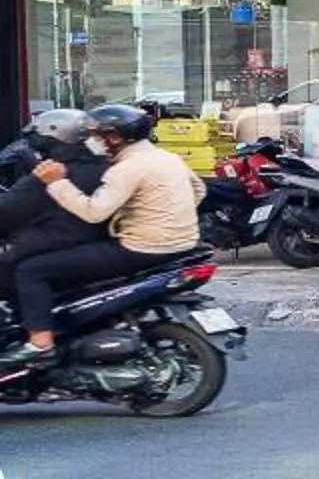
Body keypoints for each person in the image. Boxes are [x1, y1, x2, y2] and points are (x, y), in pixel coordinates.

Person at [1, 104, 201, 366]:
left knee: (31, 270)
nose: (93, 141)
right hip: (184, 242)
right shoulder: (166, 157)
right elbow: (198, 191)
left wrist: (56, 183)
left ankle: (40, 343)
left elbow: (94, 212)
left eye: (98, 135)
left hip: (142, 248)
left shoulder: (124, 168)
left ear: (115, 138)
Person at [0, 112, 103, 271]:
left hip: (52, 244)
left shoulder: (48, 175)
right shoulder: (104, 166)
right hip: (89, 242)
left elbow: (6, 212)